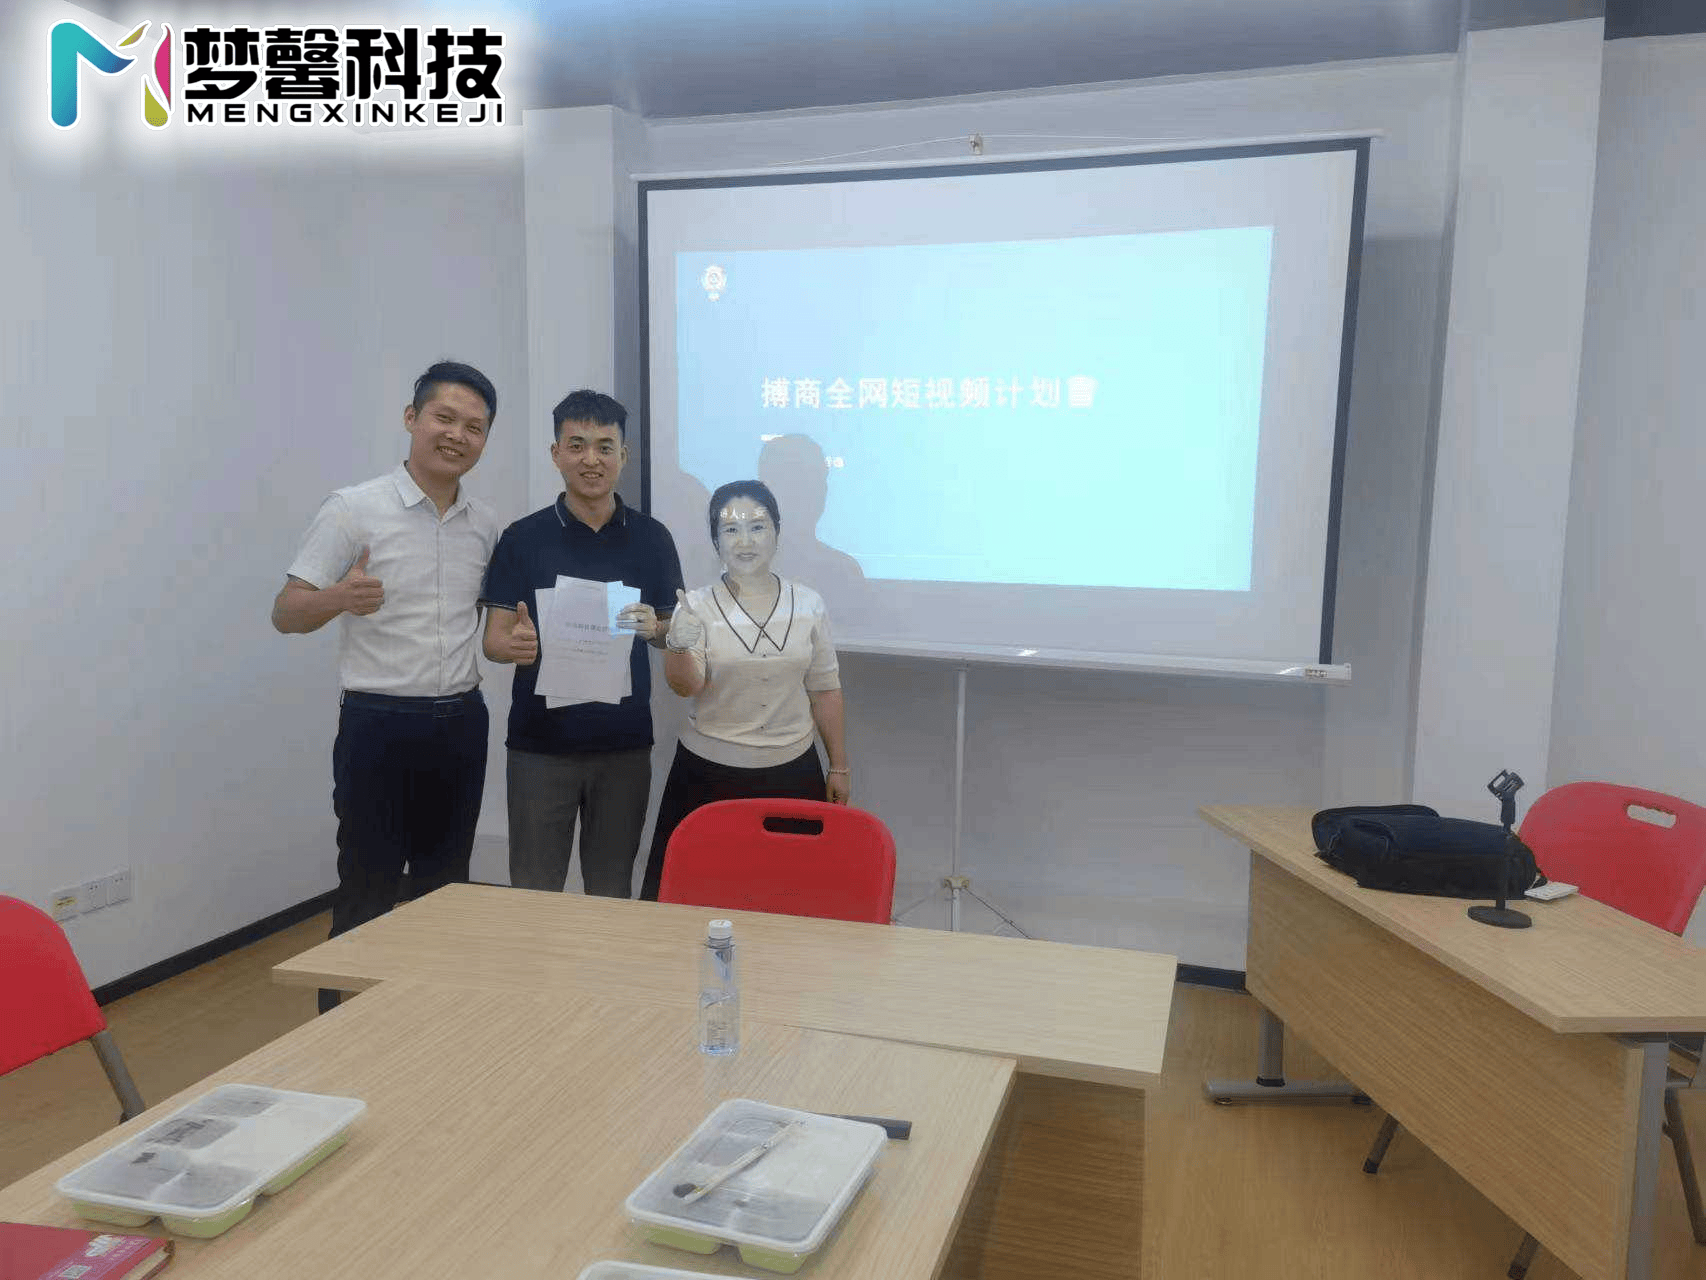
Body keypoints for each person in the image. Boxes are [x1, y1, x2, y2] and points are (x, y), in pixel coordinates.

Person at [272, 360, 502, 1015]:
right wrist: (338, 598)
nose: (457, 435)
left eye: (474, 427)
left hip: (461, 724)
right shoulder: (354, 509)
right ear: (411, 418)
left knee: (446, 890)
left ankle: (427, 1025)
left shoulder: (487, 526)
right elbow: (286, 613)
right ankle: (340, 1036)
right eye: (444, 418)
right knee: (367, 888)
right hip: (378, 725)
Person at [480, 390, 683, 898]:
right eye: (577, 445)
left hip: (624, 748)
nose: (591, 459)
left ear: (623, 455)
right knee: (534, 889)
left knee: (611, 892)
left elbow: (674, 633)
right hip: (539, 748)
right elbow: (494, 641)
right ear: (556, 454)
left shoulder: (652, 538)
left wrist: (656, 630)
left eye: (604, 447)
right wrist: (515, 646)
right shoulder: (522, 538)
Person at [639, 479, 849, 902]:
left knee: (789, 903)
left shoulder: (808, 603)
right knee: (696, 903)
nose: (745, 540)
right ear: (715, 540)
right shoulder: (695, 605)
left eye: (757, 526)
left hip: (793, 773)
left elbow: (825, 689)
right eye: (731, 529)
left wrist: (839, 767)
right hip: (706, 777)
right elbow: (687, 685)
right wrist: (677, 644)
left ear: (777, 532)